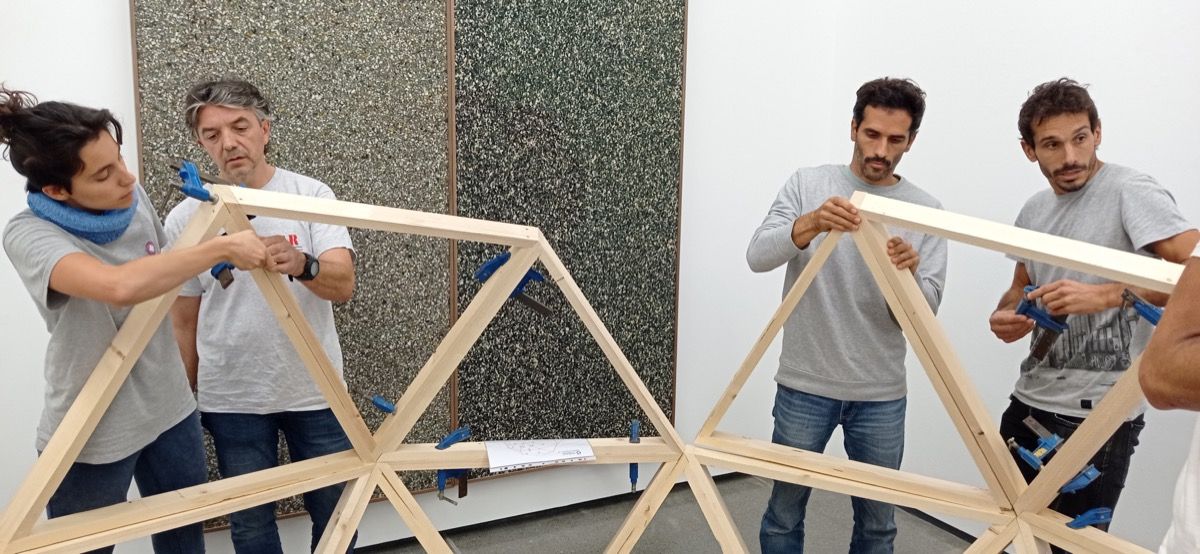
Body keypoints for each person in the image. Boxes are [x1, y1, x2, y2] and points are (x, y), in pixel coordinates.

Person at [1, 87, 268, 553]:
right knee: (82, 548)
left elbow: (165, 270)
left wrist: (216, 251)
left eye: (119, 159)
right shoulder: (30, 235)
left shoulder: (132, 195)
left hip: (170, 408)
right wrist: (220, 247)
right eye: (103, 174)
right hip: (93, 425)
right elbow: (118, 285)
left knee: (185, 540)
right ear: (57, 190)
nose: (127, 178)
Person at [988, 78, 1198, 544]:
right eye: (1052, 144)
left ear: (1097, 133)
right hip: (1030, 400)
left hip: (1099, 418)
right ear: (1028, 150)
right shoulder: (1034, 210)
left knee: (1072, 547)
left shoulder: (1130, 191)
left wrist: (1106, 295)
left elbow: (1191, 273)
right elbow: (1018, 290)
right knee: (1007, 538)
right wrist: (1006, 316)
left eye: (1080, 138)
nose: (1071, 157)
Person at [747, 77, 947, 553]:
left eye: (895, 140)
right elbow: (757, 255)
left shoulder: (927, 211)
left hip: (880, 394)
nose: (881, 150)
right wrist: (812, 222)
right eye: (872, 134)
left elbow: (923, 318)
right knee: (784, 515)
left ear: (911, 141)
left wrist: (907, 277)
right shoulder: (808, 184)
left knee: (878, 526)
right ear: (853, 127)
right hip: (805, 384)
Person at [164, 79, 357, 553]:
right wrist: (182, 403)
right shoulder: (184, 219)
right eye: (212, 134)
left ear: (264, 129)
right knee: (250, 526)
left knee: (338, 515)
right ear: (201, 144)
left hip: (315, 391)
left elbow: (343, 284)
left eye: (240, 127)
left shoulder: (310, 195)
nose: (228, 143)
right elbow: (183, 321)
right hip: (233, 399)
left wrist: (304, 265)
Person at [1141, 245, 1200, 553]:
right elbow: (1163, 372)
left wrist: (1107, 294)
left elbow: (1183, 250)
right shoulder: (1035, 216)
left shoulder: (1137, 210)